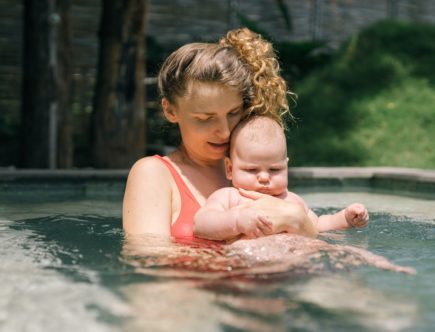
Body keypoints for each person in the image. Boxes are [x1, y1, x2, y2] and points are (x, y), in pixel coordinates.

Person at [122, 27, 317, 239]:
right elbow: (149, 260)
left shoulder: (258, 172)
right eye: (205, 118)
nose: (224, 131)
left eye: (233, 113)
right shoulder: (153, 173)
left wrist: (299, 222)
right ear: (170, 110)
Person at [194, 116, 369, 241]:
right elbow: (201, 224)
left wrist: (345, 218)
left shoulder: (292, 200)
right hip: (247, 267)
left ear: (286, 166)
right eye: (251, 169)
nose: (263, 177)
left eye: (274, 169)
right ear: (230, 169)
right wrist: (236, 220)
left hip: (294, 267)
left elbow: (318, 225)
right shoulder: (229, 197)